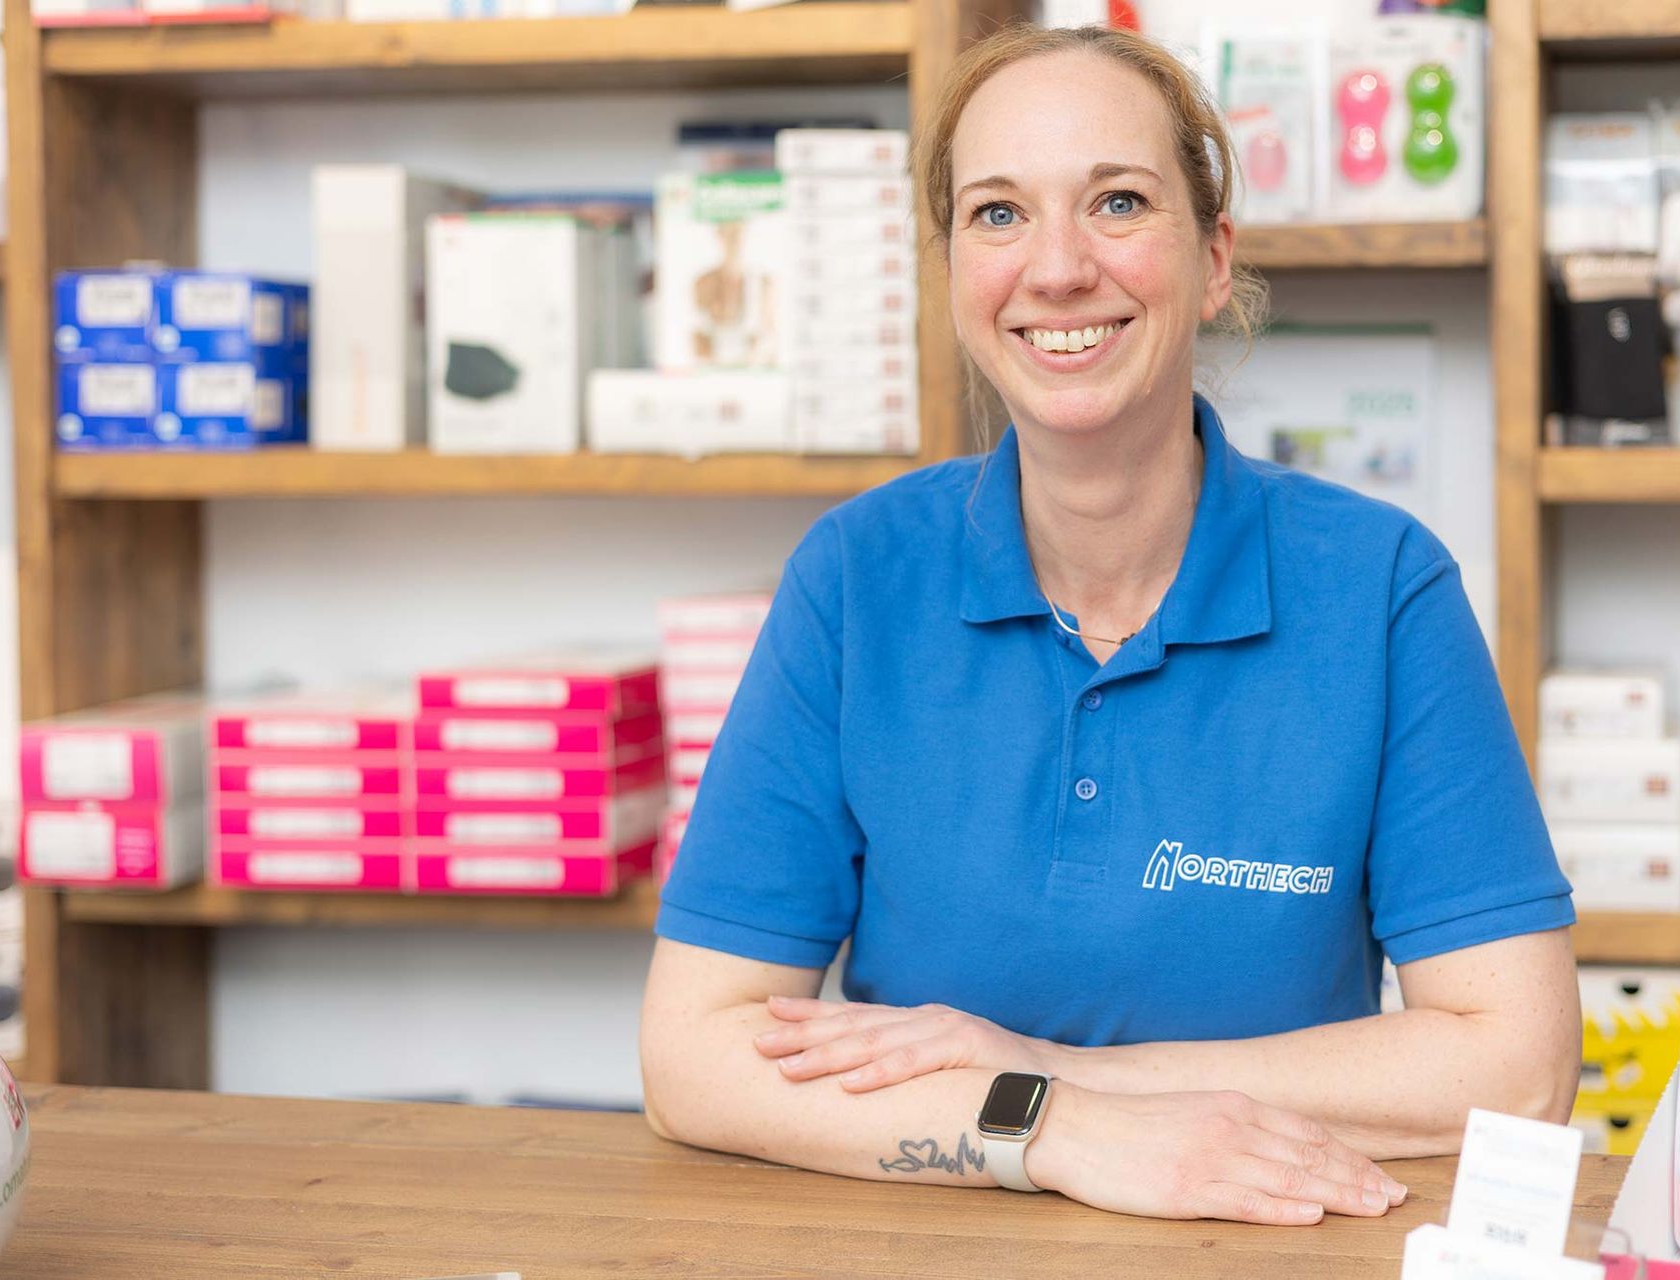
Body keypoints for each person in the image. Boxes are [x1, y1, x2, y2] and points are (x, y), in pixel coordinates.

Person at [640, 22, 1580, 1228]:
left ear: (1215, 257)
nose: (1058, 267)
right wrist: (1059, 1131)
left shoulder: (1382, 587)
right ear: (951, 275)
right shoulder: (856, 579)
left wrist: (1046, 1070)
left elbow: (1520, 1064)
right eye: (997, 214)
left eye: (1119, 202)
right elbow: (690, 1054)